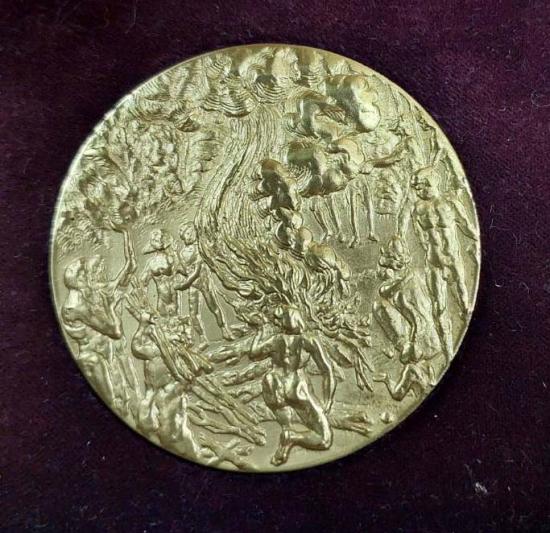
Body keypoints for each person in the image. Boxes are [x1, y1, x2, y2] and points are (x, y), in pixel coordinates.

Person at [402, 165, 478, 360]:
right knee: (438, 308)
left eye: (422, 186)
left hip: (452, 259)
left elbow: (468, 227)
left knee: (464, 302)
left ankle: (466, 344)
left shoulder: (450, 203)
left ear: (432, 182)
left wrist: (474, 247)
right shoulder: (418, 209)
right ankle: (447, 352)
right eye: (417, 188)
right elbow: (421, 238)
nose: (419, 191)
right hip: (433, 262)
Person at [247, 305, 336, 466]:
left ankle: (287, 432)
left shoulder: (276, 340)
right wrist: (328, 400)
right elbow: (327, 370)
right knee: (324, 439)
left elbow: (253, 353)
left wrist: (259, 332)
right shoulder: (308, 340)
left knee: (287, 422)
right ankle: (292, 437)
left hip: (274, 386)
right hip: (296, 387)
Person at [61, 228, 136, 405]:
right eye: (88, 272)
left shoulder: (90, 293)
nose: (93, 275)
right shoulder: (76, 306)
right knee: (114, 402)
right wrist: (111, 305)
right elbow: (115, 331)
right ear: (80, 279)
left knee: (123, 400)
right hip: (94, 361)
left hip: (106, 356)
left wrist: (127, 235)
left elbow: (129, 269)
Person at [178, 222, 234, 343]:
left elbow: (196, 271)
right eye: (186, 234)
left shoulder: (200, 248)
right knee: (193, 314)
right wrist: (179, 271)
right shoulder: (182, 253)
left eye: (190, 233)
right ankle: (202, 338)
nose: (188, 236)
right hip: (193, 285)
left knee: (214, 307)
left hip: (204, 283)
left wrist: (184, 284)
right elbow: (186, 271)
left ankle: (224, 330)